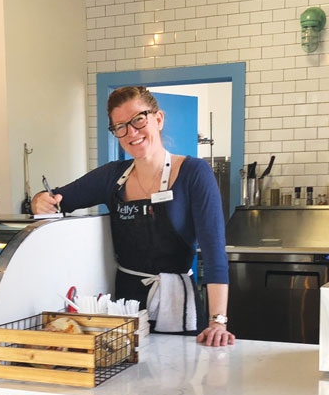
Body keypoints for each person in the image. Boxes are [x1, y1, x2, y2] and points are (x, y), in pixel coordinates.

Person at [31, 85, 234, 347]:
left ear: (157, 119)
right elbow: (58, 198)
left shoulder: (194, 173)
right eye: (120, 126)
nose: (131, 132)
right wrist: (39, 200)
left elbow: (215, 253)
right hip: (124, 310)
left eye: (138, 119)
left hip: (177, 304)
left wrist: (218, 321)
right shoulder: (111, 177)